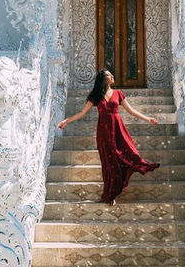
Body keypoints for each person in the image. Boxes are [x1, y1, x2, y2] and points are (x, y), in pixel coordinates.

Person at [57, 68, 160, 204]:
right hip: (103, 132)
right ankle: (109, 195)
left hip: (118, 129)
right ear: (103, 79)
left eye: (111, 74)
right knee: (108, 163)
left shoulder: (118, 94)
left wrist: (148, 119)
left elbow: (131, 111)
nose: (112, 76)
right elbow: (82, 113)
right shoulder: (96, 95)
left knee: (128, 154)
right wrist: (66, 121)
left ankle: (118, 185)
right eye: (108, 75)